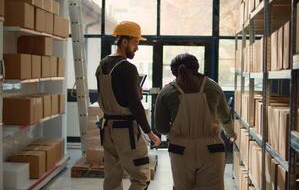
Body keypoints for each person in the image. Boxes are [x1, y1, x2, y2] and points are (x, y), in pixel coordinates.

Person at [154, 53, 237, 190]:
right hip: (212, 149)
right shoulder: (214, 87)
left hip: (180, 150)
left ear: (174, 72)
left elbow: (160, 127)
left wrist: (177, 132)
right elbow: (225, 117)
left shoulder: (167, 91)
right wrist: (231, 133)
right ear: (197, 67)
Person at [96, 21, 161, 190]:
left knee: (112, 178)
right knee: (141, 177)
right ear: (124, 42)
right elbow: (134, 104)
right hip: (126, 131)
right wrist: (149, 132)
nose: (137, 48)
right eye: (136, 43)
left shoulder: (101, 65)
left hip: (107, 128)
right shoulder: (127, 68)